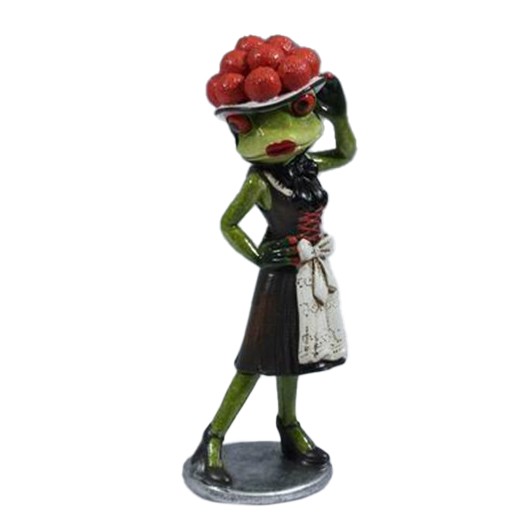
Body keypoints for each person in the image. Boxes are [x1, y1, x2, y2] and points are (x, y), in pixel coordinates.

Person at [190, 34, 356, 486]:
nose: (277, 134)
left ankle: (288, 424)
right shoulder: (260, 180)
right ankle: (213, 438)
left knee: (292, 356)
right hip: (278, 277)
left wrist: (340, 117)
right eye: (249, 124)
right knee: (255, 360)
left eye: (296, 110)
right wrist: (259, 254)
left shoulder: (305, 167)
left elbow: (345, 153)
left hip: (307, 272)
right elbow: (228, 223)